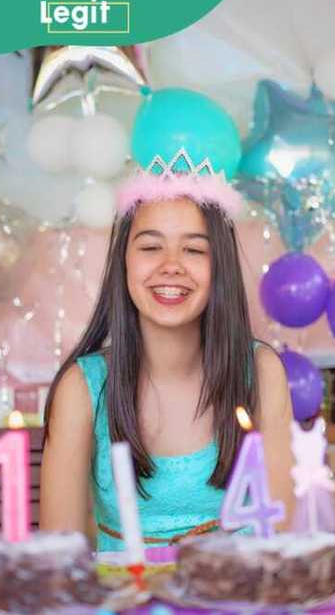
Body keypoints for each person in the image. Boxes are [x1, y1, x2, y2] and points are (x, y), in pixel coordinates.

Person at [39, 149, 295, 551]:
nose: (171, 265)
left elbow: (284, 543)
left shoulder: (261, 372)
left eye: (194, 249)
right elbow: (56, 567)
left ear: (220, 267)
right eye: (150, 247)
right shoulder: (82, 389)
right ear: (123, 260)